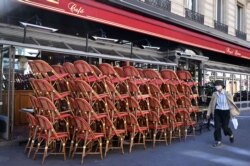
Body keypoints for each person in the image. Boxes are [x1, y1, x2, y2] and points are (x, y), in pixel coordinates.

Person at [206, 80, 240, 147]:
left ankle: (230, 134)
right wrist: (208, 113)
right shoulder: (214, 94)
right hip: (217, 112)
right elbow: (211, 104)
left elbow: (231, 104)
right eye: (216, 85)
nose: (216, 86)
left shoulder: (228, 94)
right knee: (217, 127)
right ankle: (218, 141)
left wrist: (233, 113)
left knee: (225, 127)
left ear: (222, 86)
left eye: (218, 85)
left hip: (226, 112)